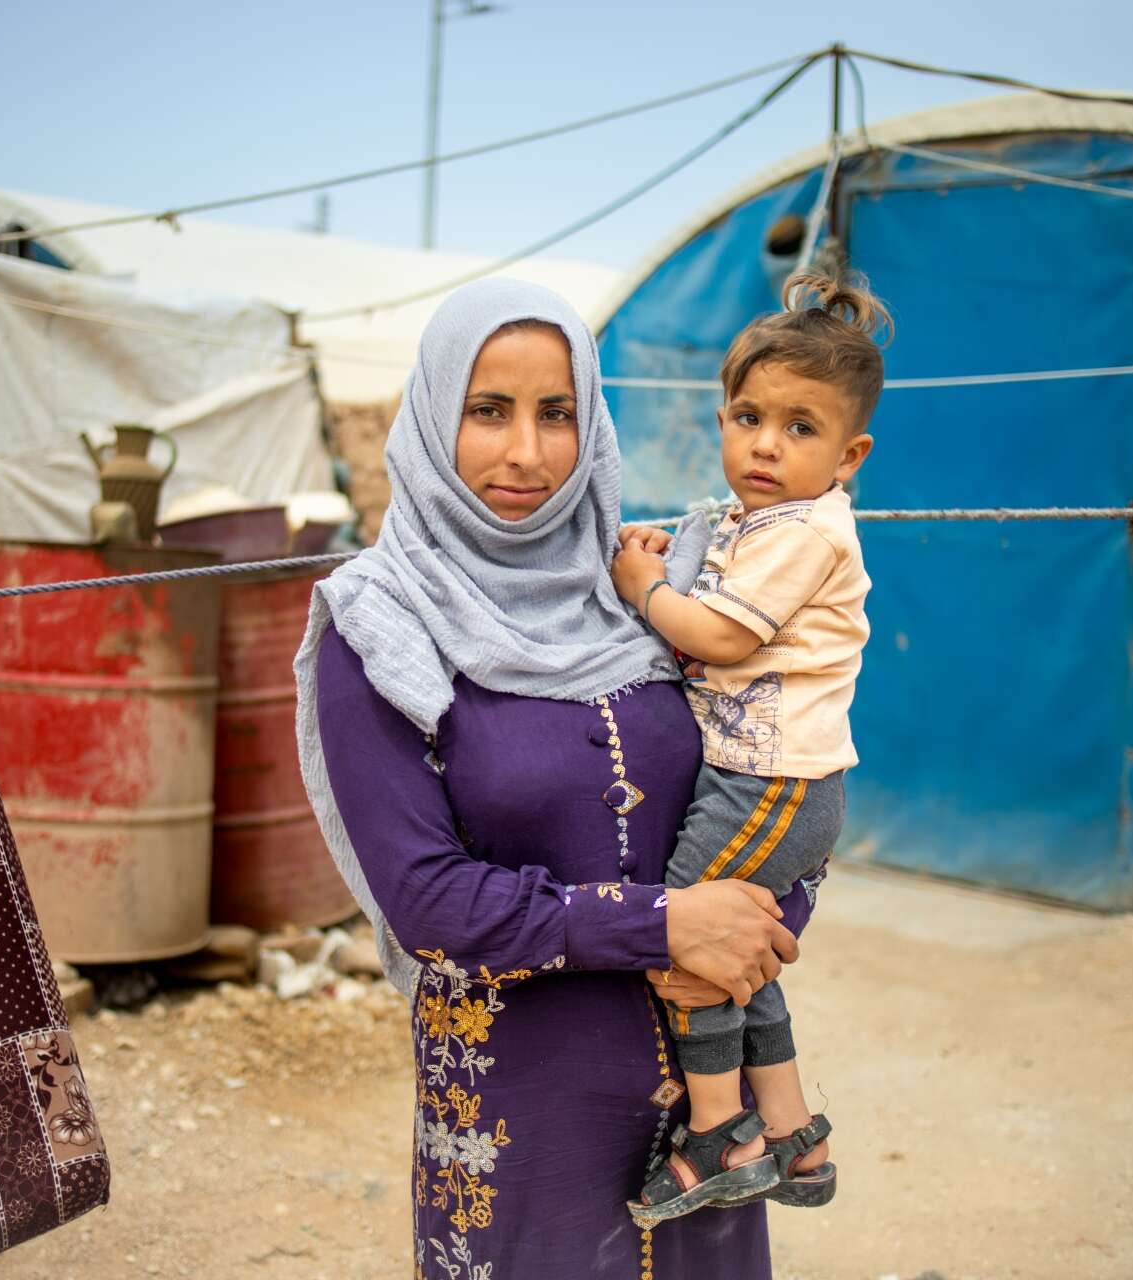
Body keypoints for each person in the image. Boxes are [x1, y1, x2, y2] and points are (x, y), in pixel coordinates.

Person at [294, 277, 816, 1279]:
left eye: (557, 413)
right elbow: (426, 901)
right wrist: (666, 926)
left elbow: (781, 771)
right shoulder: (377, 625)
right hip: (517, 1105)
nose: (525, 453)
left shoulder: (655, 598)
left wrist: (752, 926)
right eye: (487, 411)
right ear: (432, 414)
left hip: (704, 1099)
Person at [609, 269, 890, 1224]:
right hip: (766, 782)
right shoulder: (753, 520)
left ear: (848, 454)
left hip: (770, 782)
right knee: (740, 958)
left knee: (681, 942)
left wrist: (638, 585)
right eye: (747, 416)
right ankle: (793, 1130)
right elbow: (710, 577)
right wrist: (667, 554)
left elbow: (719, 636)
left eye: (801, 428)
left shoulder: (808, 531)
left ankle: (719, 1135)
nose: (766, 444)